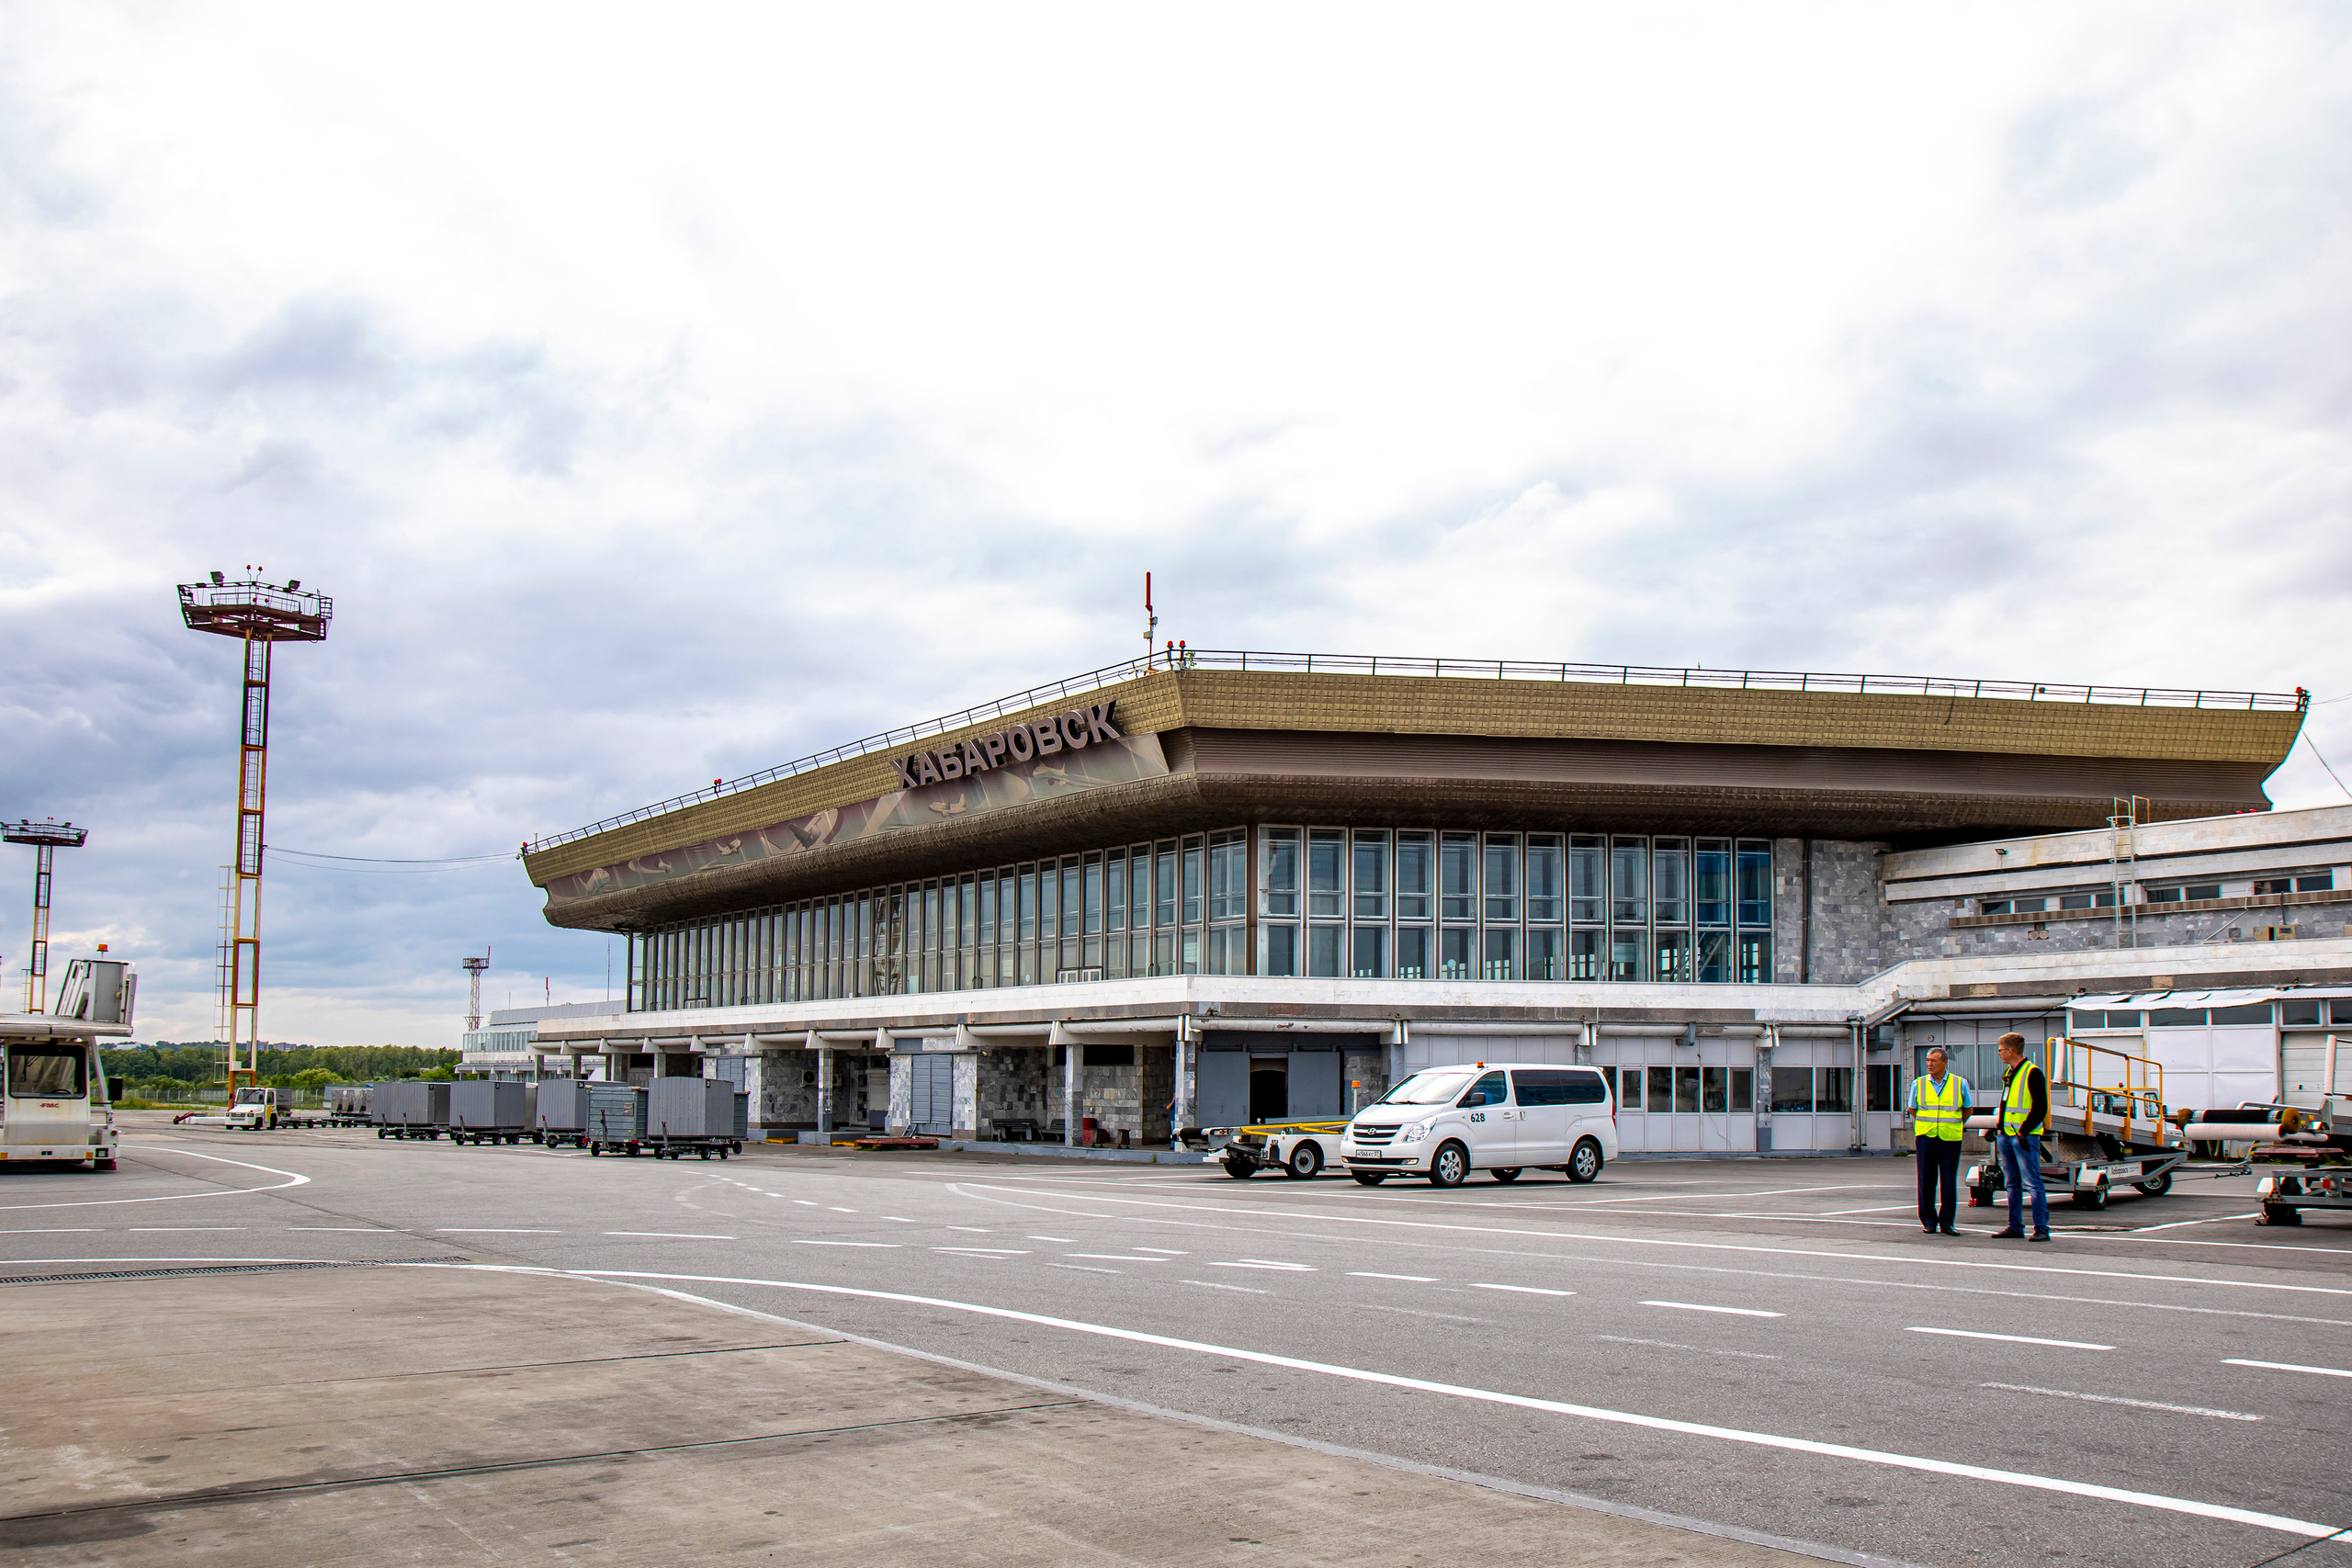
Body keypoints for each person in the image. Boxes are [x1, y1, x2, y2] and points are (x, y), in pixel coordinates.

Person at [1991, 1032, 2051, 1242]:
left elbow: (2040, 1106)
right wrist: (1999, 1127)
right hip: (2007, 1135)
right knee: (2012, 1183)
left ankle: (2041, 1228)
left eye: (2000, 1049)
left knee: (2033, 1183)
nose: (1998, 1053)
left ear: (2010, 1050)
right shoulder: (2010, 1072)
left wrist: (2024, 1131)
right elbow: (2006, 1102)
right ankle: (2015, 1226)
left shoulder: (2032, 1072)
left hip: (2023, 1137)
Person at [1907, 1046, 1970, 1235]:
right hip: (1926, 1137)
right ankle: (1928, 1220)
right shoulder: (1918, 1084)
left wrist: (1953, 1124)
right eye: (1927, 1060)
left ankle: (1947, 1222)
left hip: (1950, 1138)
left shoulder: (1960, 1083)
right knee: (1926, 1180)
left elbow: (1967, 1109)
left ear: (1945, 1062)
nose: (1929, 1064)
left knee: (1948, 1181)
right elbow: (1912, 1109)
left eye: (1933, 1061)